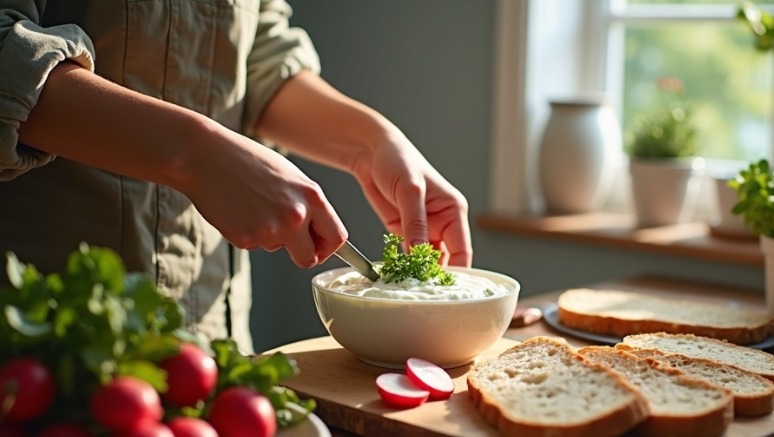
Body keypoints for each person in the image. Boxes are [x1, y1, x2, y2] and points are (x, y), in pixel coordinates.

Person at [0, 1, 472, 354]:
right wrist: (195, 153)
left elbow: (257, 57)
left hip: (211, 330)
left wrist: (372, 142)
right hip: (45, 331)